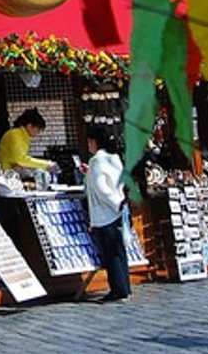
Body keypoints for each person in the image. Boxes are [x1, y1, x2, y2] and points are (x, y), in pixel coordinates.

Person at [83, 126, 131, 301]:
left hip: (105, 214)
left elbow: (101, 188)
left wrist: (113, 203)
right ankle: (124, 287)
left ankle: (118, 290)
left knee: (111, 255)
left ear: (94, 142)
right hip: (117, 212)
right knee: (119, 253)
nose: (88, 145)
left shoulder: (97, 162)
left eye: (89, 141)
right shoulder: (114, 159)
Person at [0, 108, 55, 173]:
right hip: (5, 175)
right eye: (38, 130)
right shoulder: (15, 135)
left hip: (11, 172)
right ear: (29, 126)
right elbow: (20, 159)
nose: (38, 133)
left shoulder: (22, 136)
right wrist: (46, 164)